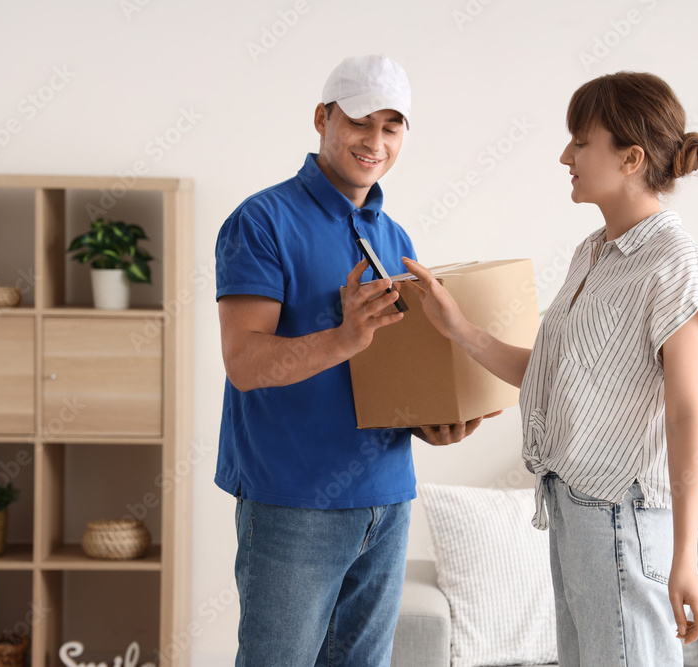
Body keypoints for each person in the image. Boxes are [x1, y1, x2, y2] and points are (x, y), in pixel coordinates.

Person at [402, 71, 698, 665]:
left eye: (580, 141)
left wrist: (685, 557)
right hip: (575, 508)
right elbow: (555, 378)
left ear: (630, 158)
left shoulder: (675, 263)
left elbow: (687, 414)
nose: (564, 156)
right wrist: (458, 328)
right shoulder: (593, 253)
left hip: (623, 516)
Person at [214, 54, 490, 666]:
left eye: (391, 127)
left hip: (386, 497)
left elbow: (393, 374)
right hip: (293, 501)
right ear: (323, 118)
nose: (375, 141)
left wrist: (431, 421)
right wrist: (343, 337)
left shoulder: (394, 237)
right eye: (360, 121)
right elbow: (244, 362)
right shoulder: (260, 221)